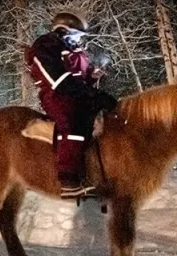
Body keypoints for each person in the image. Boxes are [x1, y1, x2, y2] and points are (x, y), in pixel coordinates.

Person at [25, 12, 117, 197]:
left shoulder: (75, 51)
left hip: (75, 94)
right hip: (56, 95)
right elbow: (58, 80)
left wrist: (91, 76)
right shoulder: (46, 46)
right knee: (72, 124)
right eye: (77, 34)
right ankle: (68, 179)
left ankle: (94, 171)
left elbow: (78, 79)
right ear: (65, 30)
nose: (80, 39)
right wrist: (91, 93)